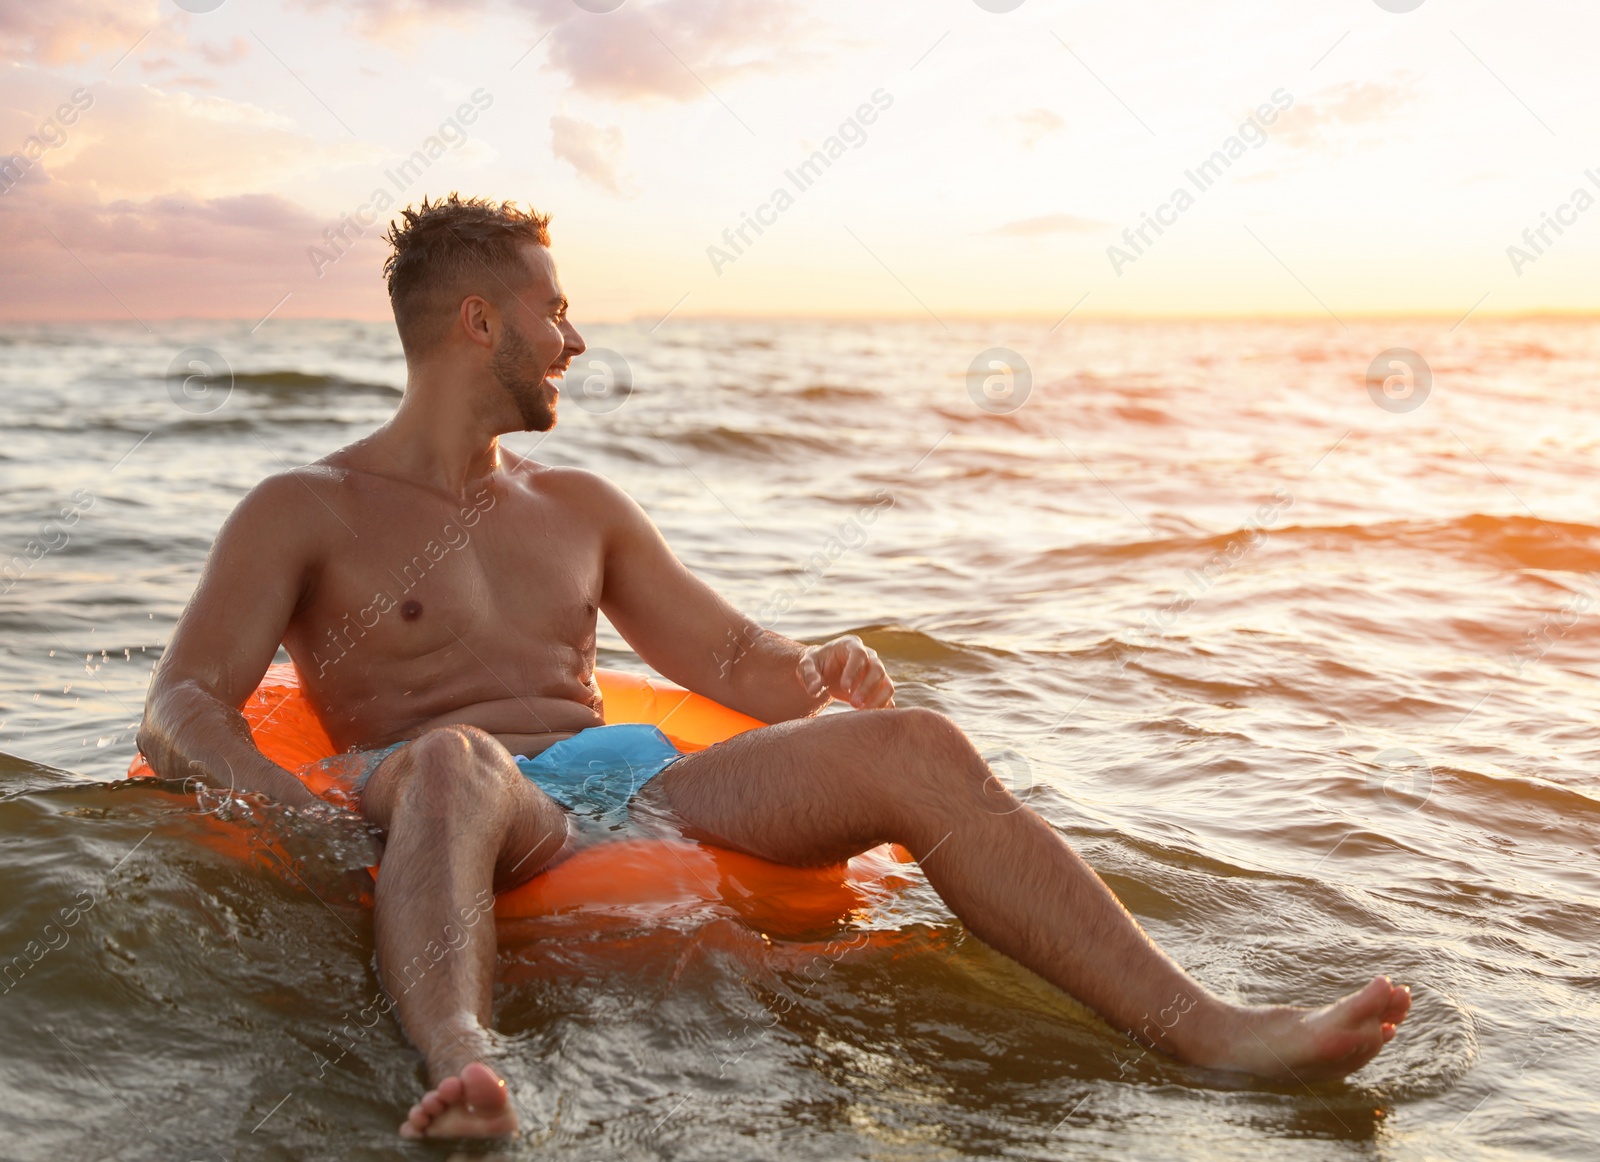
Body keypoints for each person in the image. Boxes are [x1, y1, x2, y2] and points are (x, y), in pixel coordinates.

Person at [137, 194, 1410, 1140]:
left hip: (624, 781)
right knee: (460, 760)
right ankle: (464, 1055)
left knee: (921, 746)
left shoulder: (580, 504)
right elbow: (179, 703)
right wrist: (271, 797)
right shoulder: (303, 508)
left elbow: (733, 656)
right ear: (480, 322)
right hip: (456, 796)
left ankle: (1212, 1030)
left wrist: (824, 671)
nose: (571, 339)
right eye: (553, 311)